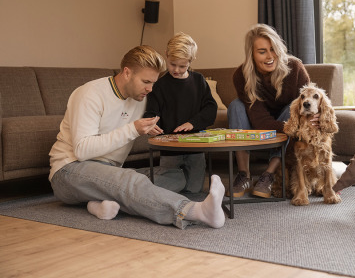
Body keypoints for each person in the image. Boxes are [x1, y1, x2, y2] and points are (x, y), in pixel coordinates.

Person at [48, 45, 225, 229]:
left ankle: (97, 202)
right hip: (69, 169)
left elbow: (176, 102)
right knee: (129, 182)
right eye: (146, 82)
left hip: (110, 171)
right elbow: (82, 150)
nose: (150, 89)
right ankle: (194, 211)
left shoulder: (140, 98)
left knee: (175, 177)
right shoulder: (90, 94)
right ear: (127, 73)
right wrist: (132, 129)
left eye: (153, 83)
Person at [228, 23, 310, 198]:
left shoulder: (295, 68)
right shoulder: (241, 75)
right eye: (262, 51)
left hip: (287, 119)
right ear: (251, 53)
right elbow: (259, 120)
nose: (270, 56)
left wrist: (306, 121)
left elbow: (308, 105)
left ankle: (269, 174)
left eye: (273, 49)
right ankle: (244, 175)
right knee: (235, 106)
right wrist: (290, 127)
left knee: (294, 107)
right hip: (258, 122)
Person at [144, 32, 217, 193]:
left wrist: (192, 123)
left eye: (182, 66)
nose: (176, 70)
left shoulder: (198, 80)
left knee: (194, 191)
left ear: (191, 62)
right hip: (170, 150)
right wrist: (150, 124)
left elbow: (211, 108)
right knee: (169, 188)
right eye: (172, 64)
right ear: (166, 55)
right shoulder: (159, 85)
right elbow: (151, 111)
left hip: (195, 148)